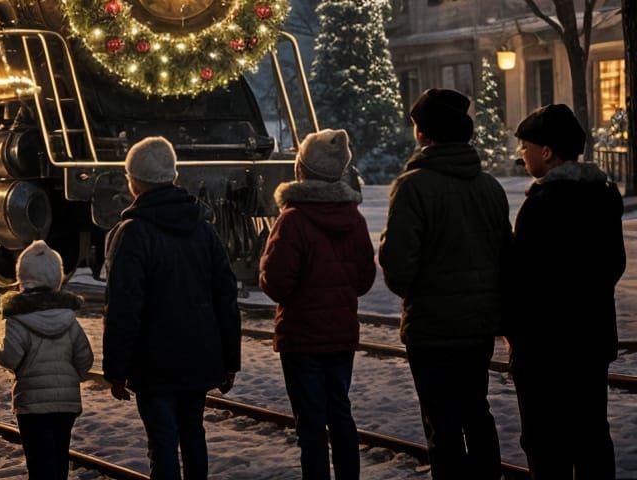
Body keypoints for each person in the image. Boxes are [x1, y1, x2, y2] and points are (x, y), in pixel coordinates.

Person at [379, 88, 512, 478]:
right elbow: (506, 255)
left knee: (442, 423)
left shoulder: (413, 186)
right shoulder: (490, 187)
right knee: (477, 410)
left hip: (432, 328)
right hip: (479, 325)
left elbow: (399, 265)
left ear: (424, 133)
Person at [103, 136, 240, 480]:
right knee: (193, 433)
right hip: (199, 355)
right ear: (173, 176)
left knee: (162, 443)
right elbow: (226, 296)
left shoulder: (132, 234)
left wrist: (116, 369)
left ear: (134, 181)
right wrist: (230, 359)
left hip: (153, 364)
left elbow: (123, 307)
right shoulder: (204, 229)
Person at [504, 104, 626, 478]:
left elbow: (522, 278)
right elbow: (613, 265)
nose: (521, 153)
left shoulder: (541, 205)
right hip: (591, 339)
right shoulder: (603, 196)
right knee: (592, 436)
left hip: (545, 349)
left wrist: (515, 332)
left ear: (547, 151)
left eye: (526, 145)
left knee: (546, 443)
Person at [258, 129, 376, 480]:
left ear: (301, 170)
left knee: (310, 423)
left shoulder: (292, 220)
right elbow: (365, 279)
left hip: (301, 338)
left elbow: (276, 283)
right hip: (341, 335)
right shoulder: (354, 218)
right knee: (340, 411)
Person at [0, 239, 93, 480]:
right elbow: (85, 358)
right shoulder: (69, 319)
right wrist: (72, 378)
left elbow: (11, 356)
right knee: (59, 458)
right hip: (66, 404)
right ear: (56, 278)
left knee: (39, 463)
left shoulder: (18, 319)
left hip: (32, 405)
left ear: (22, 278)